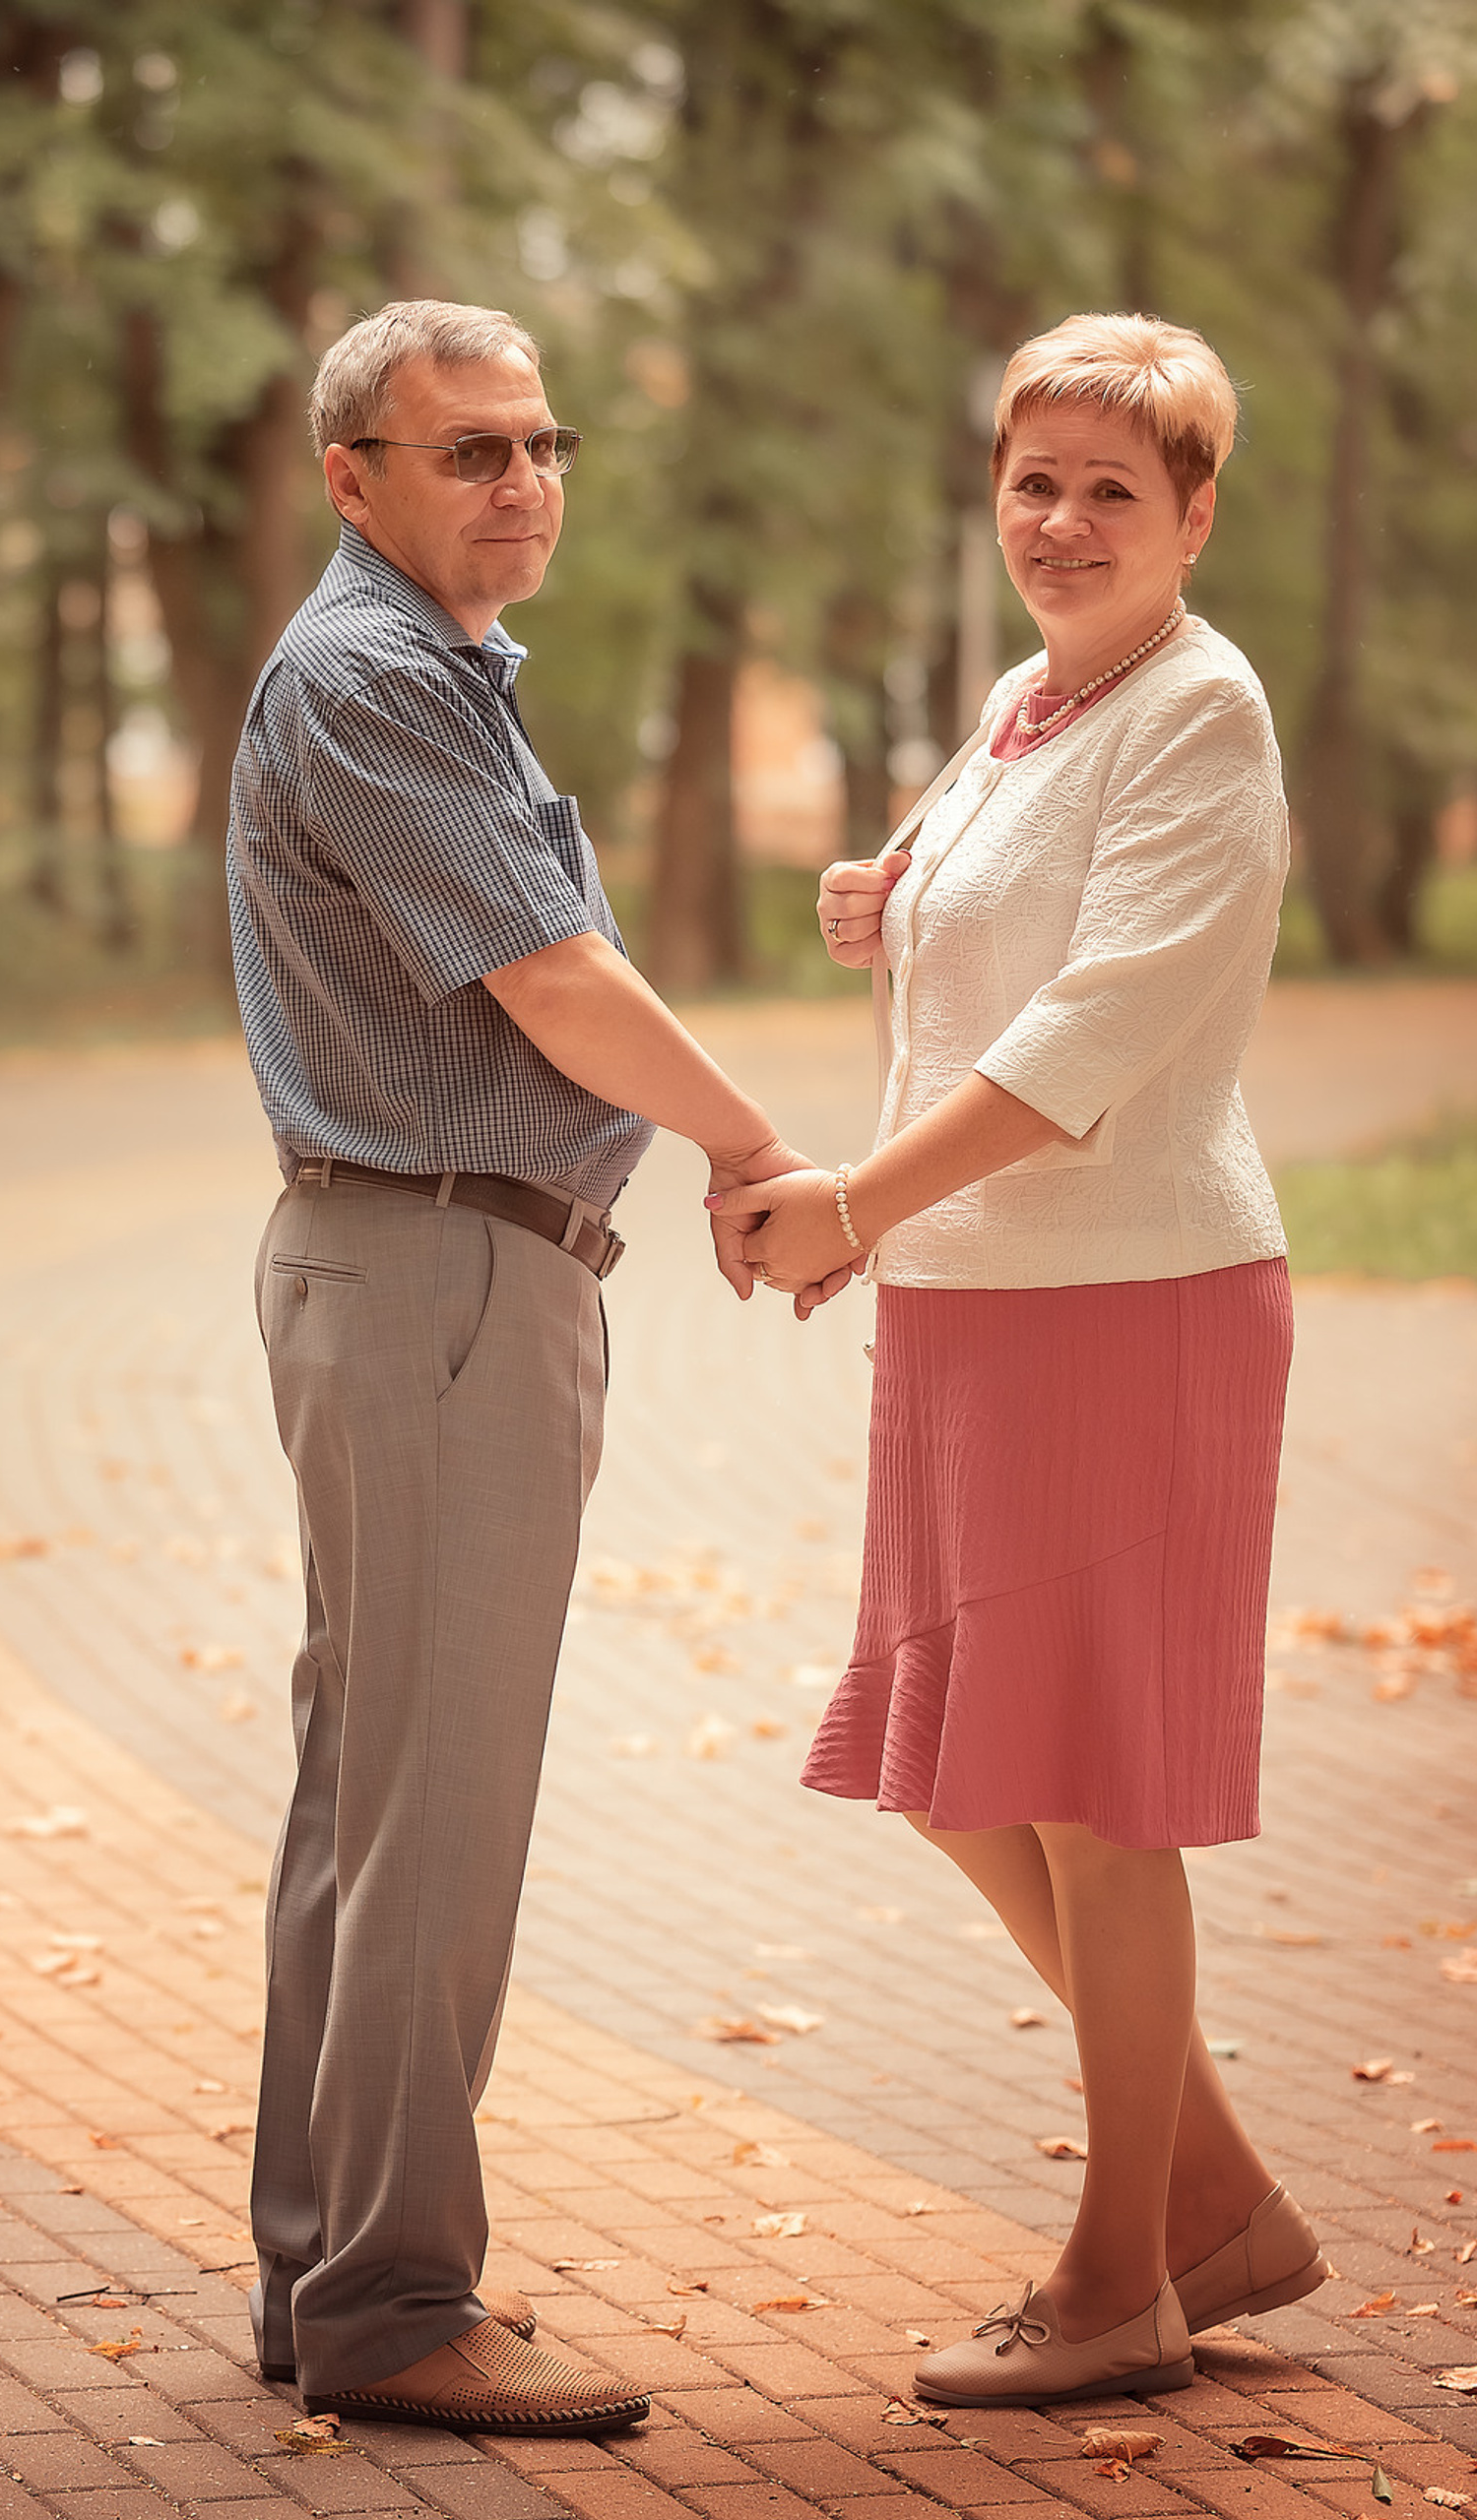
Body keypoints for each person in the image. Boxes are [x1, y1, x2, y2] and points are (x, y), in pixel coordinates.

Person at [717, 312, 1330, 2410]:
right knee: (962, 1766)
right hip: (976, 1305)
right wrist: (883, 901)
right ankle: (1215, 2200)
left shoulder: (1201, 709)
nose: (1062, 521)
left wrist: (854, 1202)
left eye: (1111, 490)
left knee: (1086, 1799)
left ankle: (1116, 2279)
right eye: (1032, 482)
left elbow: (1090, 1035)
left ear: (1191, 515)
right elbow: (988, 910)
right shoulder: (1026, 700)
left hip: (1127, 1302)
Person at [228, 297, 827, 2438]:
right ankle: (394, 2299)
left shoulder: (427, 670)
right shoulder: (374, 676)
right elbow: (558, 980)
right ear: (353, 479)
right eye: (469, 448)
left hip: (428, 1271)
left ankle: (327, 2270)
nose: (521, 480)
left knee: (372, 1790)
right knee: (433, 1808)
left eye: (543, 444)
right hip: (441, 1283)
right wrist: (753, 1148)